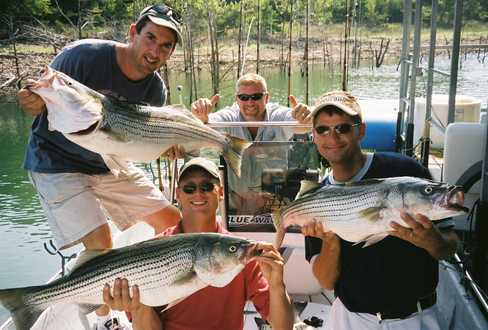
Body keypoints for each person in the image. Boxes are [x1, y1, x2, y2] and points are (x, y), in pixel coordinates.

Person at [18, 4, 183, 328]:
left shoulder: (156, 90)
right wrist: (34, 102)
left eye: (166, 46)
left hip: (108, 164)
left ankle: (150, 289)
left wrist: (164, 149)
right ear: (133, 32)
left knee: (172, 221)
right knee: (101, 244)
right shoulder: (82, 56)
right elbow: (39, 96)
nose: (155, 51)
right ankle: (104, 319)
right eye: (150, 38)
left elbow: (136, 145)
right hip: (55, 162)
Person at [302, 90, 459, 329]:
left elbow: (449, 247)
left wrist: (430, 240)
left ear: (361, 130)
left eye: (343, 127)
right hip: (349, 319)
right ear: (314, 136)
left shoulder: (407, 172)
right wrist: (330, 242)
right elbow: (325, 281)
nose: (332, 137)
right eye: (323, 129)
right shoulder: (317, 198)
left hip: (415, 319)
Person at [103, 157, 295, 330]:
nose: (198, 194)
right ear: (178, 194)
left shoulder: (240, 252)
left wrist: (277, 285)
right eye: (189, 188)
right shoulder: (153, 249)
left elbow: (282, 327)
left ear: (220, 192)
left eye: (206, 187)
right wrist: (138, 307)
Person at [186, 73, 314, 215]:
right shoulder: (229, 116)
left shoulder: (278, 115)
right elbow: (207, 124)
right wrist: (201, 117)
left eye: (256, 96)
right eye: (244, 97)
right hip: (235, 203)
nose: (250, 102)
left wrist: (305, 116)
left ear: (267, 97)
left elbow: (301, 125)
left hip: (272, 201)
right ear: (237, 99)